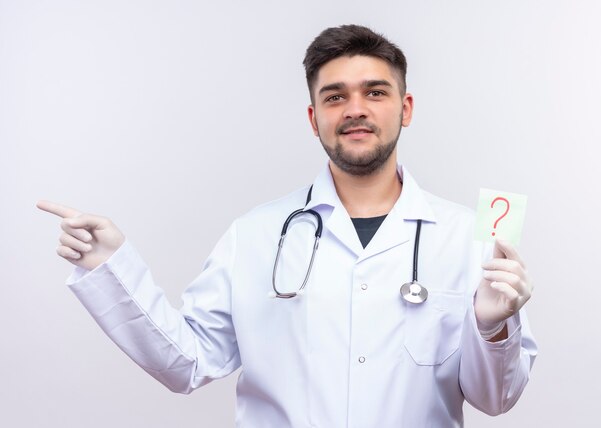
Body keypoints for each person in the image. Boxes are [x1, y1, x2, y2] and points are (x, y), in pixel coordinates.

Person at [38, 24, 537, 427]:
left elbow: (495, 401)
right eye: (335, 96)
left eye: (375, 92)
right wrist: (111, 268)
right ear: (313, 116)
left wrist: (494, 328)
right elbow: (186, 364)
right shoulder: (255, 235)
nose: (355, 109)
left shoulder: (471, 238)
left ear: (405, 109)